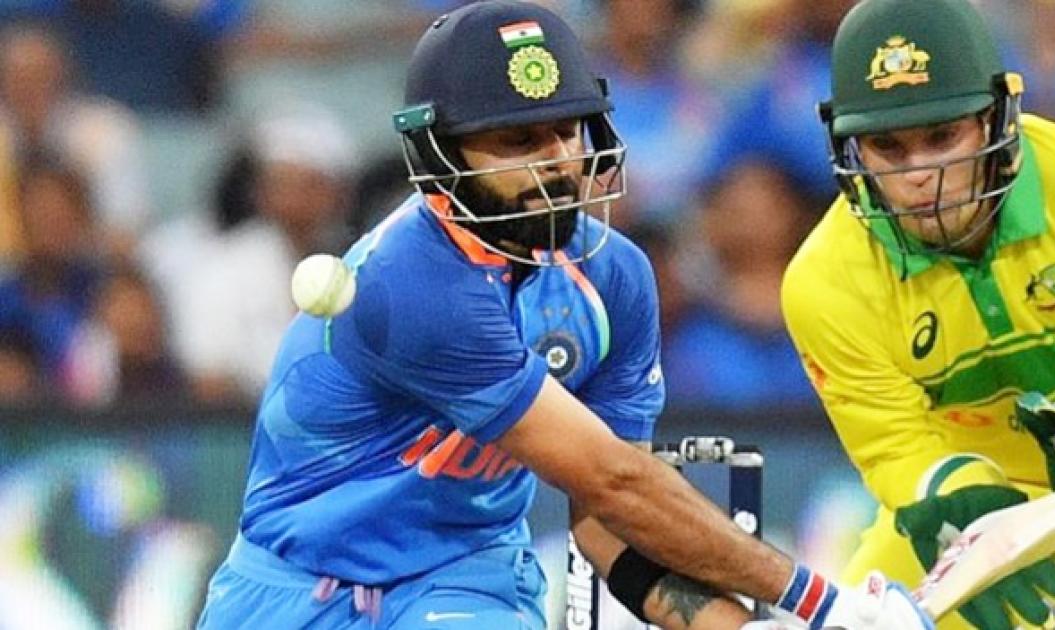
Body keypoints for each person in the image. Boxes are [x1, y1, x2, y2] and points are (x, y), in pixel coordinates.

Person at [195, 3, 931, 630]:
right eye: (518, 141)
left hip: (463, 579)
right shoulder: (409, 280)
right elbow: (617, 481)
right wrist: (825, 605)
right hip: (292, 588)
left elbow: (611, 525)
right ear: (440, 155)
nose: (556, 162)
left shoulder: (615, 279)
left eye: (567, 130)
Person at [780, 1, 1055, 629]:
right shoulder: (824, 282)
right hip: (979, 501)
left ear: (998, 119)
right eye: (888, 147)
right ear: (851, 149)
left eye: (942, 137)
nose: (922, 176)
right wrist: (959, 499)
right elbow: (894, 447)